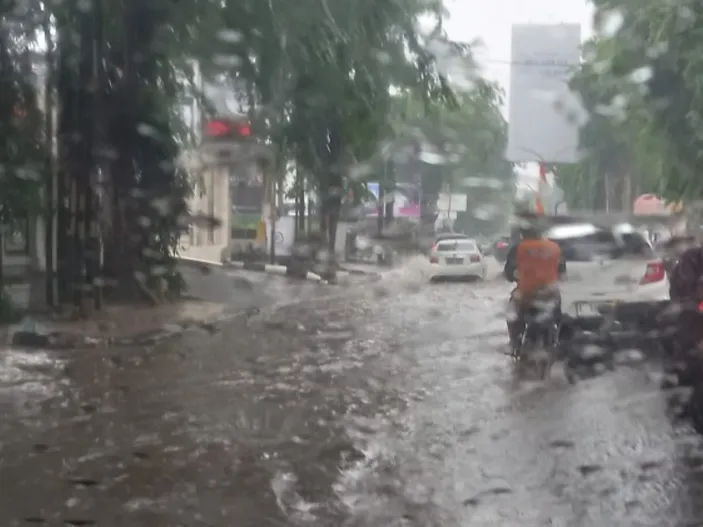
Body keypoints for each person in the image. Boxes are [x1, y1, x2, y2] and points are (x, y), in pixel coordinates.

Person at [503, 226, 565, 352]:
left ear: (523, 234)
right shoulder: (554, 247)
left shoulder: (519, 248)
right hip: (550, 293)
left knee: (512, 315)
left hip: (526, 293)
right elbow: (562, 271)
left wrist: (515, 276)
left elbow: (509, 272)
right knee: (560, 316)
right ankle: (560, 341)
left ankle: (514, 343)